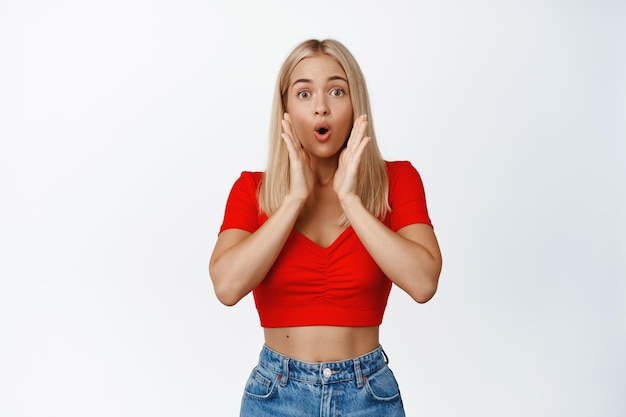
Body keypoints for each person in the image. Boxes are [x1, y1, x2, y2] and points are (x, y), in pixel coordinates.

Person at [209, 38, 442, 417]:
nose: (321, 107)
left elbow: (423, 283)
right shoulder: (252, 190)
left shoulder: (397, 180)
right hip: (276, 395)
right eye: (304, 93)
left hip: (368, 395)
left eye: (337, 91)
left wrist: (350, 199)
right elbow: (227, 286)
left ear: (356, 105)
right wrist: (293, 201)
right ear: (284, 108)